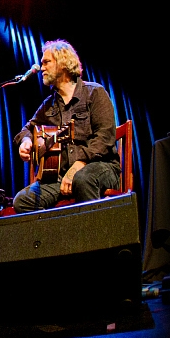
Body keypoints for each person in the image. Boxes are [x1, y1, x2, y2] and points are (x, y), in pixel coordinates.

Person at [12, 39, 120, 213]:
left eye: (46, 62)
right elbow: (26, 130)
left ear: (63, 63)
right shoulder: (49, 105)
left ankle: (92, 238)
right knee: (23, 201)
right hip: (60, 177)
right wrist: (25, 141)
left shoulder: (94, 93)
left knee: (83, 179)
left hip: (101, 167)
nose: (42, 68)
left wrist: (79, 164)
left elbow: (105, 137)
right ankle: (55, 239)